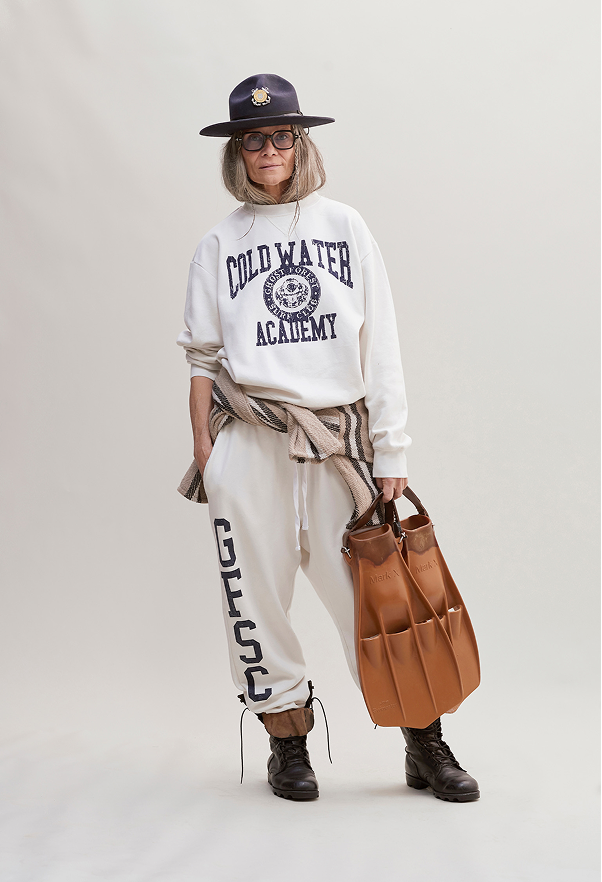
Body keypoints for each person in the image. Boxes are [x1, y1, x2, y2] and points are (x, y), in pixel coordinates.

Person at [177, 74, 479, 802]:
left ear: (300, 142)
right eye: (254, 139)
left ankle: (424, 742)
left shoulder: (345, 226)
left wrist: (392, 449)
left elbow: (382, 344)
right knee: (254, 600)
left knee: (378, 598)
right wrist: (207, 454)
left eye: (281, 136)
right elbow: (202, 358)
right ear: (237, 152)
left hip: (338, 444)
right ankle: (287, 743)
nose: (269, 150)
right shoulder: (218, 244)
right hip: (251, 443)